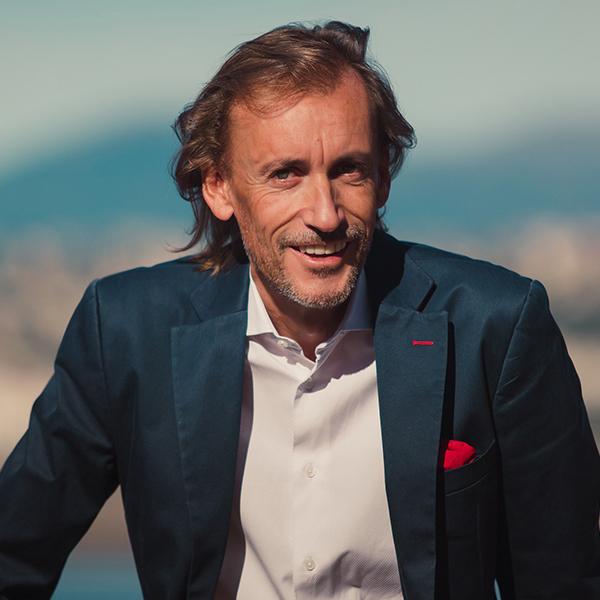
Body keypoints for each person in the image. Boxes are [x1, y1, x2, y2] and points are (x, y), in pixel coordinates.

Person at [0, 20, 599, 600]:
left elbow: (566, 582)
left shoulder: (497, 327)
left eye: (349, 170)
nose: (325, 214)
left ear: (383, 177)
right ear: (219, 186)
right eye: (285, 174)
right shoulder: (128, 332)